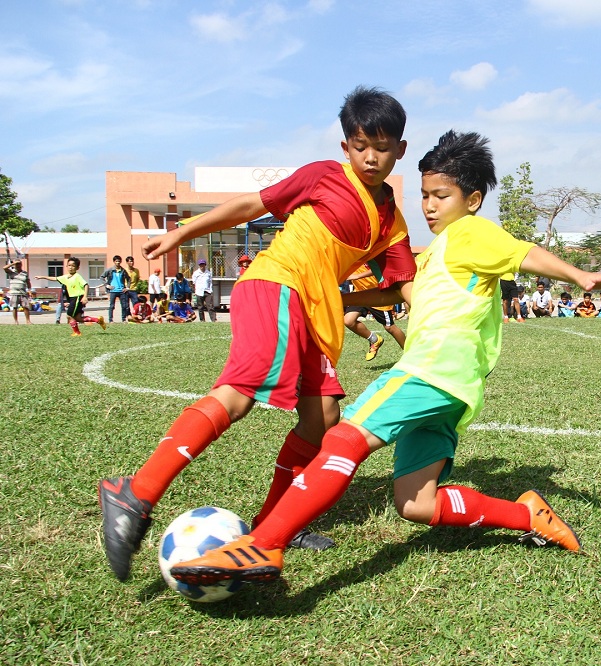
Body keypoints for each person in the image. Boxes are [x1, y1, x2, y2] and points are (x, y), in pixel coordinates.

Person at [168, 130, 601, 587]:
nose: (429, 206)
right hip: (457, 391)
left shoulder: (471, 233)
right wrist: (340, 299)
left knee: (343, 438)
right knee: (417, 505)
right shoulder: (438, 254)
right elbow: (401, 289)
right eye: (426, 194)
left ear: (471, 200)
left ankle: (265, 543)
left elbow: (521, 251)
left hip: (428, 371)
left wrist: (578, 275)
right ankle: (527, 515)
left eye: (442, 196)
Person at [98, 85, 417, 582]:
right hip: (276, 285)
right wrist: (184, 231)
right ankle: (135, 492)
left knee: (322, 417)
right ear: (345, 148)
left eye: (381, 146)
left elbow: (401, 289)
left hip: (317, 311)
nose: (370, 157)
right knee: (239, 395)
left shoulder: (391, 221)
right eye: (360, 145)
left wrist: (439, 319)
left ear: (400, 148)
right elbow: (252, 204)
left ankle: (273, 527)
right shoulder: (323, 176)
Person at [35, 257, 106, 336]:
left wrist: (85, 297)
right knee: (78, 318)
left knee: (69, 315)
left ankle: (77, 332)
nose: (70, 267)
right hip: (72, 298)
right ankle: (98, 320)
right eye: (69, 265)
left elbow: (86, 285)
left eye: (73, 266)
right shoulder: (65, 277)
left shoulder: (77, 276)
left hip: (78, 297)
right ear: (66, 266)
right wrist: (42, 277)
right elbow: (54, 278)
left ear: (77, 268)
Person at [344, 271, 406, 360]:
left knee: (390, 327)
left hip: (377, 294)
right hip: (359, 292)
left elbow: (379, 267)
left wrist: (358, 276)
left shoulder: (368, 257)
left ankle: (409, 353)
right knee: (348, 321)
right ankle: (374, 340)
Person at [102, 255, 131, 322]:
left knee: (124, 306)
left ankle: (123, 319)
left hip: (122, 290)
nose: (117, 262)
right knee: (112, 306)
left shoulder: (123, 270)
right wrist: (107, 285)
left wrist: (127, 287)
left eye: (119, 261)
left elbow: (128, 279)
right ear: (114, 262)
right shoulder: (110, 270)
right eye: (116, 261)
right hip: (113, 291)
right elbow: (102, 277)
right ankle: (110, 320)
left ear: (120, 262)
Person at [3, 259, 32, 324]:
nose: (18, 265)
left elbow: (28, 282)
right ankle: (16, 321)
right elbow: (4, 268)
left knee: (25, 307)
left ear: (21, 265)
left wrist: (29, 290)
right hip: (14, 293)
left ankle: (28, 321)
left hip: (23, 292)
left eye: (19, 264)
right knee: (15, 307)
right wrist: (13, 264)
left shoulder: (24, 273)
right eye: (17, 264)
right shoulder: (11, 272)